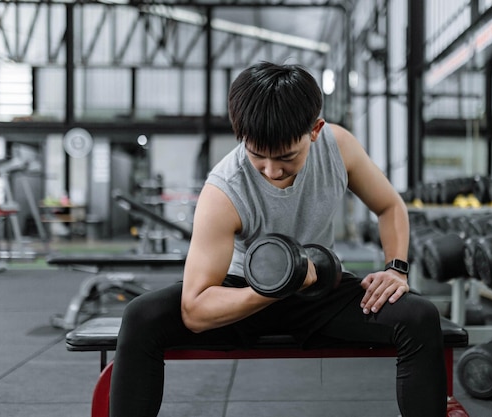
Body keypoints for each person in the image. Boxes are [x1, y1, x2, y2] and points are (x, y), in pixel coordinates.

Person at [110, 61, 446, 417]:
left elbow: (390, 206)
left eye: (286, 156)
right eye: (258, 156)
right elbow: (195, 309)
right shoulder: (223, 191)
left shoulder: (338, 147)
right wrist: (270, 289)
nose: (272, 170)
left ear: (314, 130)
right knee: (141, 317)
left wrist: (395, 269)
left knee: (419, 317)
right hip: (241, 294)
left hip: (319, 290)